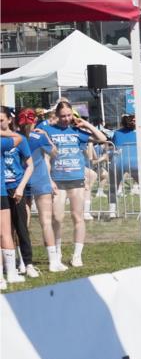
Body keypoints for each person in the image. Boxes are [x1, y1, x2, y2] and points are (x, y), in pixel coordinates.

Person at [47, 100, 106, 267]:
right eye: (62, 116)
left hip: (76, 180)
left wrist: (86, 123)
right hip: (58, 180)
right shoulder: (50, 130)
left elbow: (102, 138)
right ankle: (57, 251)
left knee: (77, 217)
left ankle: (77, 255)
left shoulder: (78, 131)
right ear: (57, 116)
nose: (66, 118)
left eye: (69, 115)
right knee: (57, 217)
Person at [18, 108, 63, 273]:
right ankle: (53, 261)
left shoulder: (16, 137)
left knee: (22, 224)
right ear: (35, 120)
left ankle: (23, 262)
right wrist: (47, 137)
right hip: (40, 180)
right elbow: (55, 153)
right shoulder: (40, 136)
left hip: (21, 180)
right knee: (46, 222)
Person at [1, 109, 33, 283]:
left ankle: (27, 263)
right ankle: (8, 266)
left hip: (15, 187)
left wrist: (21, 187)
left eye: (1, 120)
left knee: (21, 226)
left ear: (9, 120)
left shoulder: (18, 138)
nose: (0, 123)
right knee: (5, 231)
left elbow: (30, 165)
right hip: (1, 188)